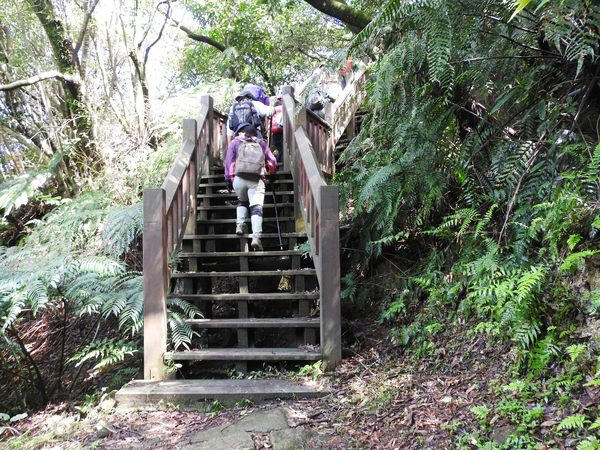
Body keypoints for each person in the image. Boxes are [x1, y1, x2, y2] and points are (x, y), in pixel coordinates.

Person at [224, 123, 277, 251]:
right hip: (256, 179)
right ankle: (256, 237)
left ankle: (240, 224)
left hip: (238, 179)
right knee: (256, 208)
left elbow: (229, 161)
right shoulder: (261, 143)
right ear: (255, 134)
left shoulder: (235, 143)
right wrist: (271, 173)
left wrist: (228, 178)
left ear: (243, 133)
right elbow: (272, 161)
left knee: (242, 200)